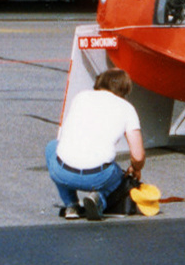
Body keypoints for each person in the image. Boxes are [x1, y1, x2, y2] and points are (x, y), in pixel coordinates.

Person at [46, 68, 146, 221]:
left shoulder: (81, 97)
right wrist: (136, 168)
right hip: (98, 176)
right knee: (118, 175)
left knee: (51, 147)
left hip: (63, 172)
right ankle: (99, 198)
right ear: (125, 89)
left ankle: (71, 204)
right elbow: (138, 156)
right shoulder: (127, 109)